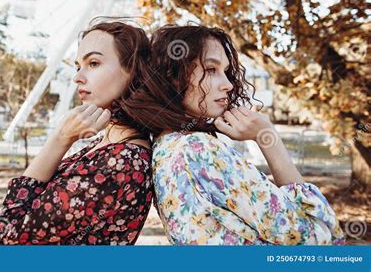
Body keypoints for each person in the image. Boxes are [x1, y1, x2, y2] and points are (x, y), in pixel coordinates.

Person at [122, 24, 345, 245]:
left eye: (226, 72)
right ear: (172, 77)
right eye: (211, 69)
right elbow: (317, 238)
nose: (228, 85)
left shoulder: (163, 146)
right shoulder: (198, 150)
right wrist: (268, 138)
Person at [0, 20, 153, 245]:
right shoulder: (106, 144)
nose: (77, 77)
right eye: (78, 66)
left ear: (133, 71)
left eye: (93, 63)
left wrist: (60, 139)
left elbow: (7, 234)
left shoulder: (121, 163)